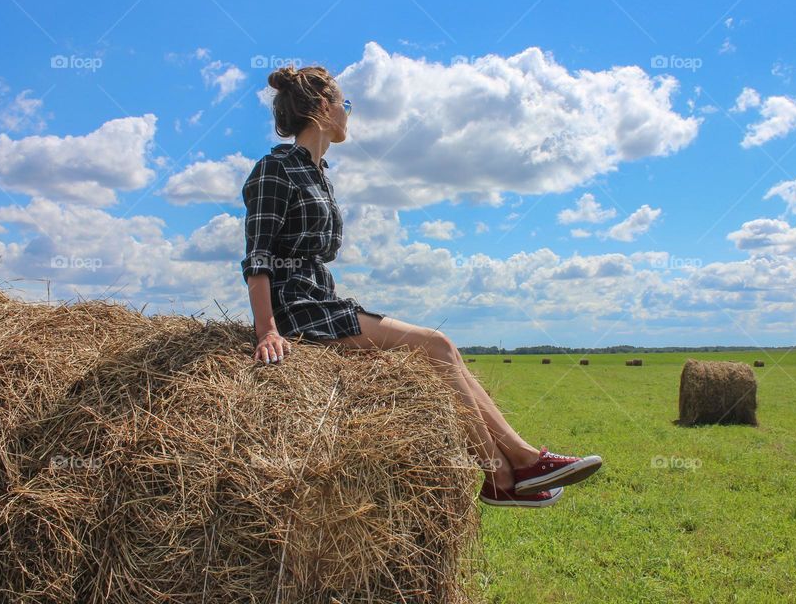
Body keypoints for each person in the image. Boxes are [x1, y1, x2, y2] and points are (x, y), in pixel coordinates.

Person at [240, 64, 602, 508]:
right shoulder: (274, 169)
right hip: (298, 308)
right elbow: (258, 256)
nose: (348, 114)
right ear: (322, 109)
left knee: (444, 354)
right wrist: (266, 331)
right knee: (437, 346)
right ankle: (518, 464)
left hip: (323, 299)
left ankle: (506, 474)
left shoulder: (319, 174)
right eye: (344, 104)